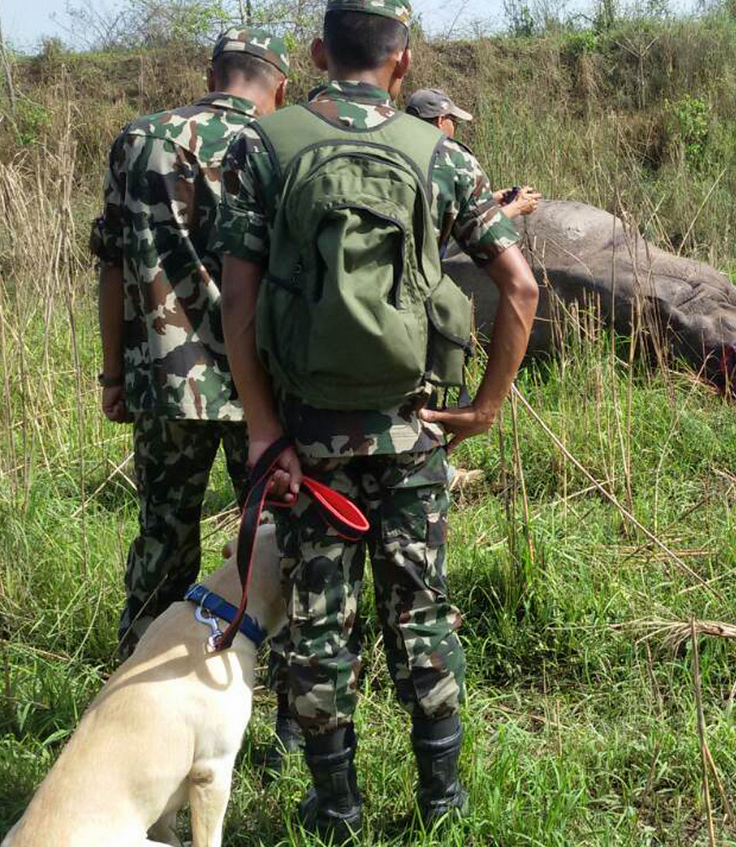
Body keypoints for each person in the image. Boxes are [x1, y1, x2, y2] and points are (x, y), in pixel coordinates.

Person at [217, 0, 539, 838]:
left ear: (320, 51)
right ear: (403, 60)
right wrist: (485, 406)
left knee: (320, 625)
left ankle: (335, 809)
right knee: (421, 612)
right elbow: (521, 287)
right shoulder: (440, 153)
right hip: (413, 430)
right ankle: (442, 802)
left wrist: (261, 429)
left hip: (306, 443)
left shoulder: (267, 145)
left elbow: (238, 301)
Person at [89, 28, 289, 662]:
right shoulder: (277, 145)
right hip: (260, 386)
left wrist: (113, 374)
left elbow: (113, 266)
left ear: (213, 72)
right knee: (273, 539)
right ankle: (286, 701)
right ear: (278, 86)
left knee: (163, 538)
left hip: (164, 381)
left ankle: (136, 676)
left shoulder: (139, 139)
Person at [405, 87, 542, 220]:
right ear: (440, 121)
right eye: (454, 121)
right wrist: (517, 207)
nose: (454, 127)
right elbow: (481, 231)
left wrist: (487, 200)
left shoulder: (394, 150)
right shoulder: (454, 159)